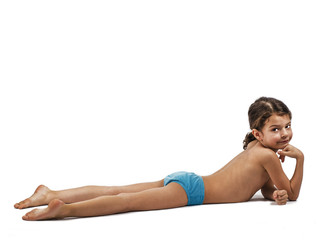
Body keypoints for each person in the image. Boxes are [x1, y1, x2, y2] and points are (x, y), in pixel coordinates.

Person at [14, 97, 304, 221]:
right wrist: (300, 160)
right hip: (193, 192)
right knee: (125, 202)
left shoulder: (257, 148)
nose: (284, 134)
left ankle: (51, 194)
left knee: (118, 190)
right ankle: (64, 210)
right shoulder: (269, 155)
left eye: (287, 126)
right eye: (275, 129)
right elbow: (291, 195)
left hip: (188, 181)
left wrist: (273, 195)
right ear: (257, 132)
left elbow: (269, 189)